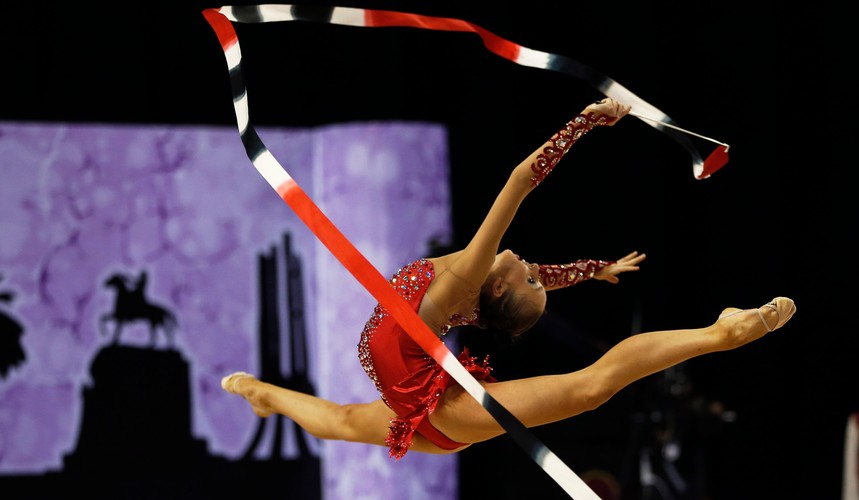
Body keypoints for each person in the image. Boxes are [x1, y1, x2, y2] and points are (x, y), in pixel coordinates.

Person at [220, 98, 796, 460]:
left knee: (589, 389)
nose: (534, 271)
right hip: (417, 412)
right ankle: (264, 394)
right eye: (537, 280)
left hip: (444, 411)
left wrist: (586, 122)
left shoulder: (466, 277)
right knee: (343, 419)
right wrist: (594, 270)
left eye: (531, 282)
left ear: (497, 286)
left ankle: (720, 334)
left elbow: (521, 180)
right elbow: (547, 274)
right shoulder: (471, 298)